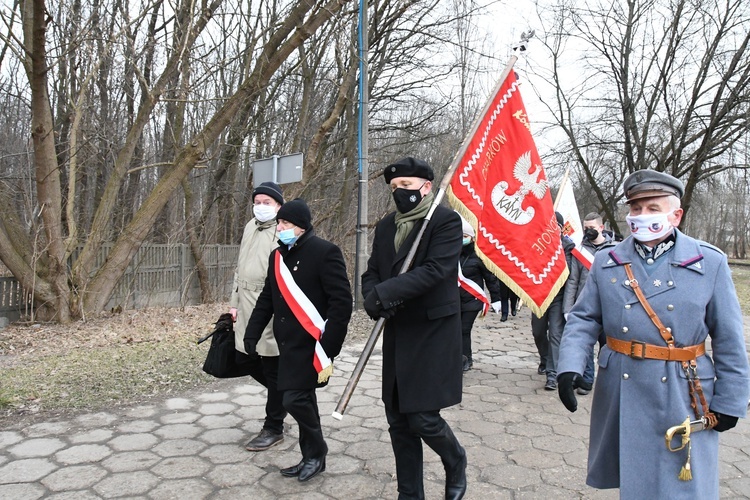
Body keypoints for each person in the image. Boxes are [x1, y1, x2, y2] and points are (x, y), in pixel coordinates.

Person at [556, 170, 750, 498]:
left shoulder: (709, 262)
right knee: (636, 480)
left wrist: (731, 400)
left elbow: (730, 339)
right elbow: (583, 319)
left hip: (684, 388)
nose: (641, 216)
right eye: (635, 208)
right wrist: (569, 365)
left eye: (652, 208)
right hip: (623, 386)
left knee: (684, 483)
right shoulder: (606, 261)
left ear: (676, 214)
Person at [362, 157, 467, 500]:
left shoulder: (445, 221)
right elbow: (373, 271)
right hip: (396, 330)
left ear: (426, 187)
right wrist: (370, 297)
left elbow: (436, 270)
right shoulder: (386, 226)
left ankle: (455, 460)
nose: (399, 193)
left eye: (406, 186)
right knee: (398, 420)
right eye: (394, 188)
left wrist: (385, 293)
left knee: (423, 418)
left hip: (432, 332)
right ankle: (410, 494)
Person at [243, 198, 352, 482]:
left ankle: (317, 452)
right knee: (303, 400)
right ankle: (312, 457)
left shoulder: (325, 252)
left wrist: (329, 348)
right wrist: (252, 332)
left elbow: (341, 303)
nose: (280, 228)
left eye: (286, 223)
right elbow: (267, 297)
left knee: (294, 399)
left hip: (313, 344)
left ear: (301, 227)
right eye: (279, 223)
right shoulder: (276, 256)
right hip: (285, 343)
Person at [229, 181, 287, 451]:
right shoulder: (250, 226)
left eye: (267, 203)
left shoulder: (284, 229)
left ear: (278, 205)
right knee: (245, 358)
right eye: (258, 202)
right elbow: (239, 268)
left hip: (270, 308)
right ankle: (287, 395)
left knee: (274, 367)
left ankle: (274, 426)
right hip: (244, 307)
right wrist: (233, 302)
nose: (261, 207)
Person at [561, 212, 613, 395]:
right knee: (586, 345)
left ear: (601, 227)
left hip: (610, 306)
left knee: (608, 345)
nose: (588, 231)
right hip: (586, 306)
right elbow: (573, 280)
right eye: (585, 228)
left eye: (592, 228)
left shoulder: (616, 249)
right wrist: (568, 308)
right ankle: (588, 380)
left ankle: (608, 378)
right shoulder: (579, 251)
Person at [531, 211, 574, 389]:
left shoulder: (569, 247)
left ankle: (552, 374)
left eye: (555, 226)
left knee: (556, 334)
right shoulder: (537, 245)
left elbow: (570, 273)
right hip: (540, 296)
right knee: (538, 332)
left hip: (558, 296)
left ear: (561, 228)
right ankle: (545, 359)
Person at [457, 214, 503, 372]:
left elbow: (490, 279)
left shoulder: (479, 256)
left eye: (464, 236)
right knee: (456, 331)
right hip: (455, 300)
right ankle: (458, 357)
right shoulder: (452, 253)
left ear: (471, 237)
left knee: (464, 329)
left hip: (473, 300)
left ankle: (466, 360)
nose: (461, 239)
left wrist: (496, 299)